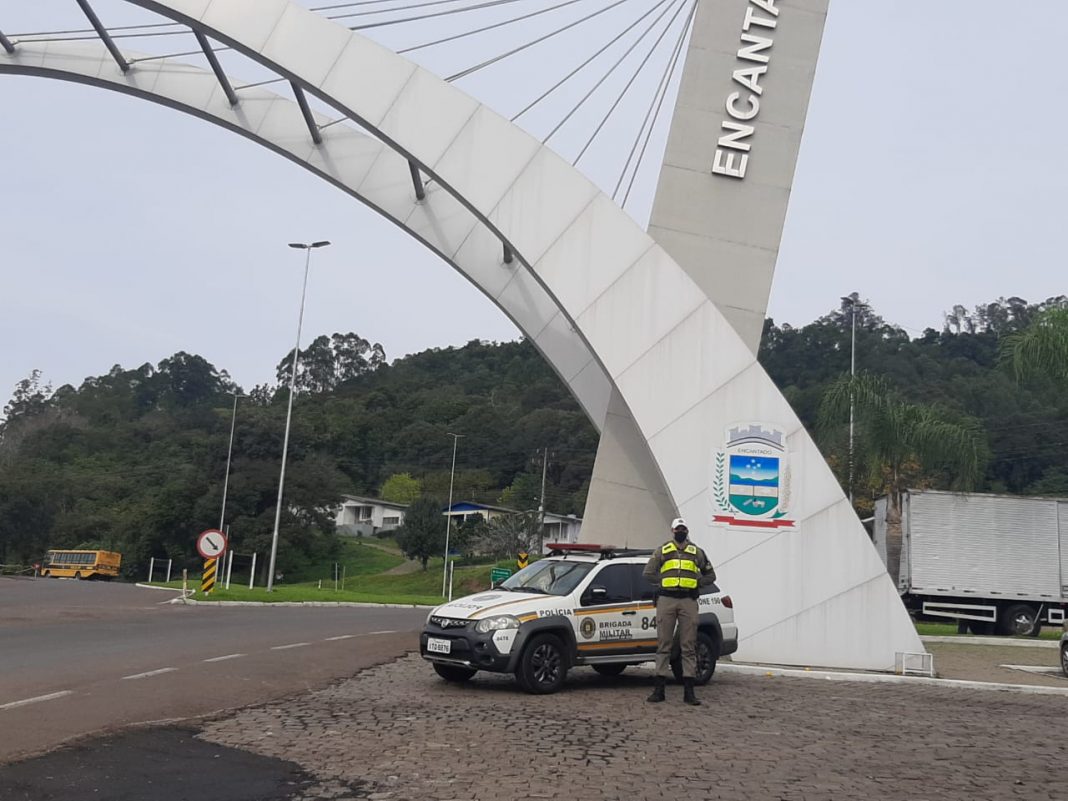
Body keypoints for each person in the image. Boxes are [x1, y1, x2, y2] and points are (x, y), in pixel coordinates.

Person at [642, 516, 716, 706]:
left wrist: (697, 584)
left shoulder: (696, 552)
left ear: (687, 531)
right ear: (673, 531)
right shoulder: (663, 550)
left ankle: (689, 692)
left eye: (683, 529)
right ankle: (659, 690)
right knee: (664, 645)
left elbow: (711, 575)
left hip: (688, 600)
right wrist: (663, 583)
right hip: (667, 599)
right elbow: (648, 572)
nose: (681, 532)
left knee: (688, 646)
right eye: (678, 529)